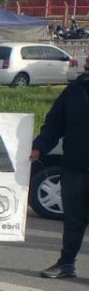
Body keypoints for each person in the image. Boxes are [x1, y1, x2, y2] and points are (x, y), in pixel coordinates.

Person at [32, 69, 89, 278]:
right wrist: (39, 146)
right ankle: (66, 264)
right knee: (73, 222)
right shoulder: (73, 91)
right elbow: (55, 123)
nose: (86, 64)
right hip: (75, 167)